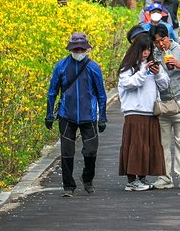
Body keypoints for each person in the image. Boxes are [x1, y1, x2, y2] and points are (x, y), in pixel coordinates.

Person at [45, 32, 108, 197]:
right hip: (66, 115)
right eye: (76, 49)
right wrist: (49, 114)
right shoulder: (61, 66)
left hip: (89, 116)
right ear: (70, 49)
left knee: (91, 151)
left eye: (81, 49)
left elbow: (101, 94)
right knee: (67, 152)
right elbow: (52, 92)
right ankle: (68, 186)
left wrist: (102, 117)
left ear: (86, 49)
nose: (79, 51)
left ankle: (87, 178)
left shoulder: (93, 67)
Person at [117, 32, 168, 192]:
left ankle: (142, 177)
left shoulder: (153, 65)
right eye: (143, 49)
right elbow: (128, 84)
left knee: (147, 146)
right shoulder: (128, 67)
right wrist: (143, 71)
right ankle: (132, 180)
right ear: (136, 49)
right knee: (135, 146)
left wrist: (157, 73)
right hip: (134, 112)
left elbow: (165, 85)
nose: (146, 53)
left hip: (150, 112)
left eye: (149, 49)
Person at [151, 22, 180, 189]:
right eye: (156, 41)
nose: (160, 44)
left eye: (162, 40)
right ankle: (165, 177)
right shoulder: (153, 54)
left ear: (168, 37)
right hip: (162, 103)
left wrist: (179, 65)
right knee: (162, 143)